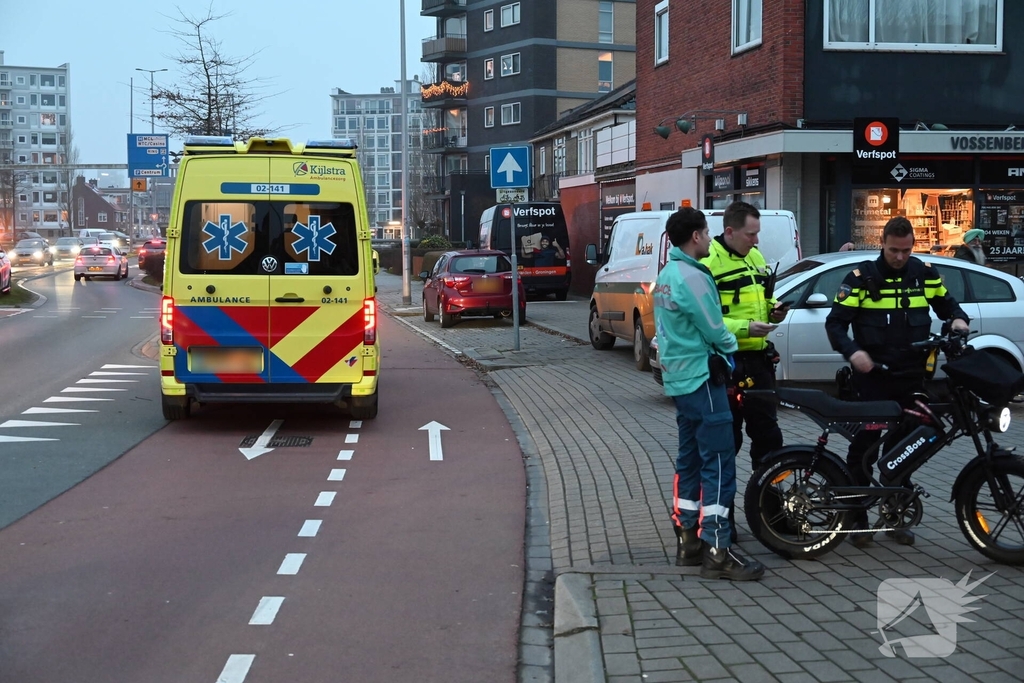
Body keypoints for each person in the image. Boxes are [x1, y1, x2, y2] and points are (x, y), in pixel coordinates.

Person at [825, 215, 970, 547]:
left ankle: (895, 514)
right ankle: (857, 515)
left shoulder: (924, 274)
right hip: (873, 380)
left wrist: (958, 320)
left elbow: (949, 306)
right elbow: (835, 324)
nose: (900, 257)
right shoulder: (861, 278)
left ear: (912, 246)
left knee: (905, 449)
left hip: (912, 378)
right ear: (883, 244)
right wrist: (853, 353)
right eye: (894, 251)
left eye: (906, 251)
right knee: (864, 449)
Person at [653, 206, 765, 581]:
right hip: (704, 378)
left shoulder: (667, 274)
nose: (708, 238)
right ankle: (718, 548)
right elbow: (714, 329)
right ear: (697, 236)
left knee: (689, 461)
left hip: (680, 380)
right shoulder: (692, 276)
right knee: (718, 463)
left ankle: (688, 541)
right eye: (705, 232)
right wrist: (735, 343)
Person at [701, 201, 786, 472]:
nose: (756, 240)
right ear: (730, 232)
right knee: (727, 438)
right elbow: (704, 318)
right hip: (727, 361)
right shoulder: (709, 262)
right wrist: (745, 328)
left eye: (757, 233)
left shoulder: (755, 257)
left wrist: (775, 312)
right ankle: (718, 507)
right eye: (751, 234)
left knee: (769, 436)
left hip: (759, 362)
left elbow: (765, 298)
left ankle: (768, 506)